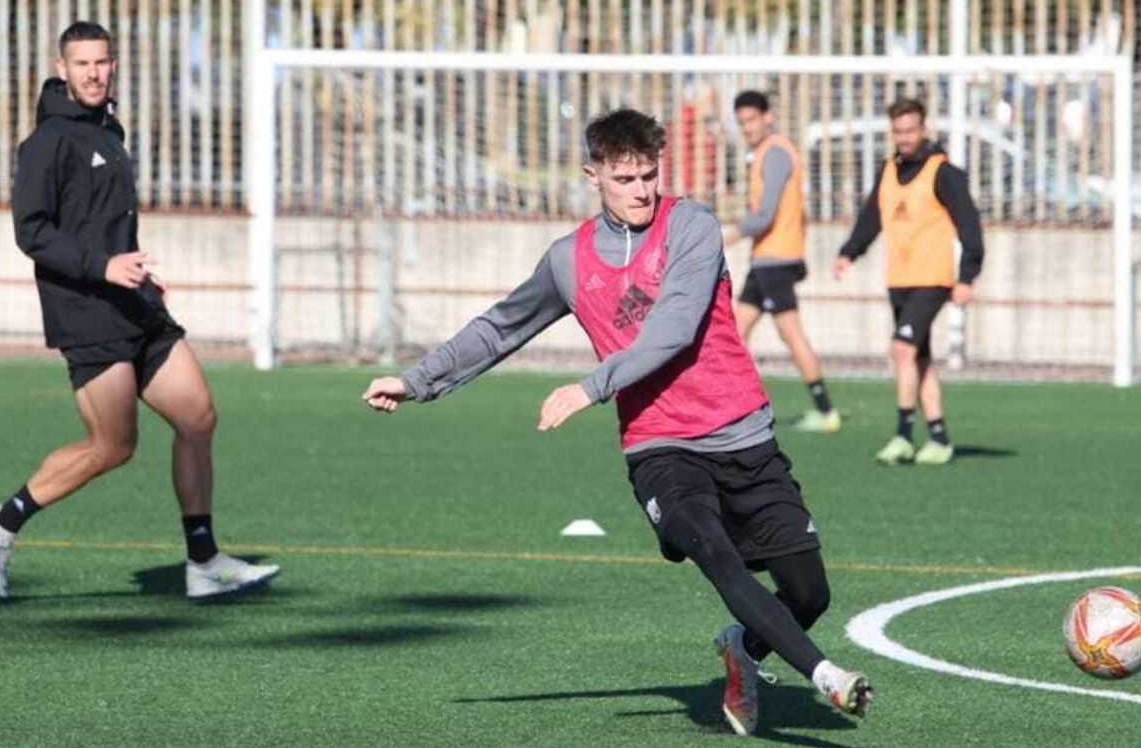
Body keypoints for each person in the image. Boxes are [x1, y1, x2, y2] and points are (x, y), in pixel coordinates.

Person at [362, 109, 873, 736]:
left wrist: (589, 386)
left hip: (741, 432)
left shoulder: (692, 225)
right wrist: (417, 382)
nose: (641, 191)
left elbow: (673, 329)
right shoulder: (569, 260)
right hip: (660, 447)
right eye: (626, 179)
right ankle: (828, 677)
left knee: (808, 593)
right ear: (593, 175)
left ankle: (742, 647)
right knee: (714, 551)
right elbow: (500, 327)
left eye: (649, 176)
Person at [0, 21, 280, 601]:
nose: (93, 73)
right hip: (85, 312)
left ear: (115, 65)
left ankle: (204, 561)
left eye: (103, 62)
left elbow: (108, 222)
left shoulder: (110, 131)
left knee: (198, 417)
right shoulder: (46, 144)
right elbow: (31, 232)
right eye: (82, 63)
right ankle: (1, 522)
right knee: (113, 446)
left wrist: (138, 273)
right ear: (62, 68)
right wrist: (103, 266)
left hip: (134, 304)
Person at [833, 97, 983, 466]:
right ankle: (939, 437)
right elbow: (872, 218)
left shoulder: (943, 172)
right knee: (919, 360)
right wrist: (849, 252)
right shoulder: (887, 171)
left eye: (911, 130)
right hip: (898, 281)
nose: (904, 138)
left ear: (924, 129)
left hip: (932, 280)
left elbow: (970, 228)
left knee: (901, 349)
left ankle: (903, 435)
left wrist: (967, 276)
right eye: (898, 132)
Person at [725, 90, 841, 433]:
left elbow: (765, 215)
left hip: (775, 259)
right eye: (741, 122)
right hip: (767, 258)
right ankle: (739, 407)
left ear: (767, 117)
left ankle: (825, 410)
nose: (747, 127)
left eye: (751, 119)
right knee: (734, 331)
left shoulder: (775, 153)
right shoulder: (763, 152)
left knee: (790, 333)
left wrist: (729, 234)